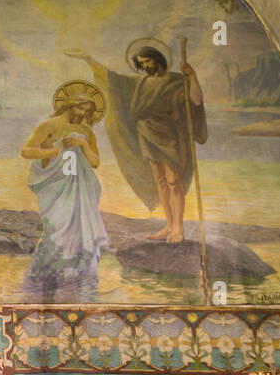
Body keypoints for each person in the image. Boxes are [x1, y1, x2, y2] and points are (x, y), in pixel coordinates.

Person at [67, 44, 206, 243]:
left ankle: (178, 228)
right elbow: (110, 77)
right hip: (146, 133)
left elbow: (197, 101)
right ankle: (168, 226)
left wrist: (192, 75)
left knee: (173, 180)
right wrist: (88, 59)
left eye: (148, 61)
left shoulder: (177, 80)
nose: (146, 66)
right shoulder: (140, 83)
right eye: (142, 64)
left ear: (158, 58)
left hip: (169, 134)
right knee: (159, 178)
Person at [18, 91, 109, 296]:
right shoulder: (48, 125)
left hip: (81, 187)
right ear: (69, 105)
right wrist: (56, 150)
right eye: (79, 108)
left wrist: (83, 144)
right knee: (55, 229)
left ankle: (77, 277)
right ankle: (46, 275)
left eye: (87, 111)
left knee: (80, 230)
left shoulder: (86, 131)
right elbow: (26, 151)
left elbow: (95, 162)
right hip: (56, 186)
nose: (82, 114)